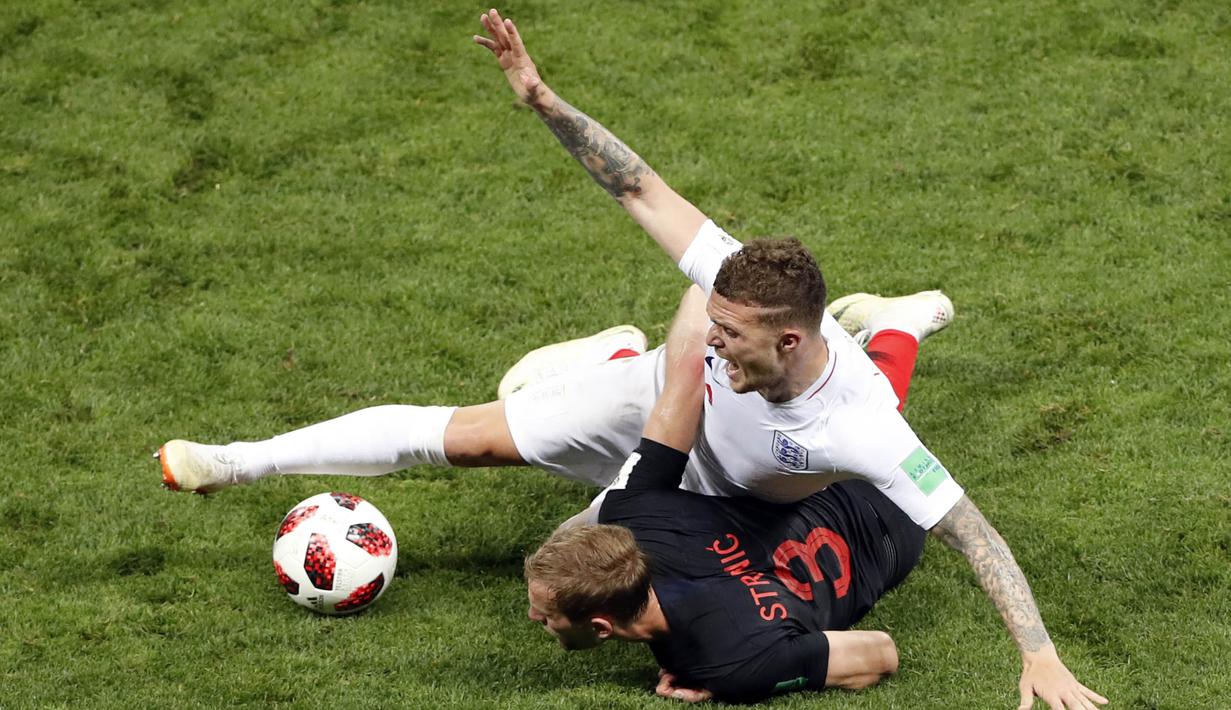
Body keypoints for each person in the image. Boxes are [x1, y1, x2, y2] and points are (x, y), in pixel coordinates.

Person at [155, 9, 1104, 708]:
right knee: (479, 440)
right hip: (659, 412)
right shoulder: (728, 318)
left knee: (579, 558)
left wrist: (1038, 655)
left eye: (727, 331)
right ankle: (237, 461)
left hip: (712, 496)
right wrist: (542, 101)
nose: (708, 331)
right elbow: (640, 187)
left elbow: (973, 533)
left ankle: (889, 325)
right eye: (712, 316)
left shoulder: (853, 421)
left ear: (789, 339)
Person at [525, 291, 925, 703]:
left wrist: (732, 680)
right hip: (838, 486)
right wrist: (709, 281)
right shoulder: (635, 513)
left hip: (893, 535)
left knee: (842, 417)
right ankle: (895, 329)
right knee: (840, 415)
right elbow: (682, 386)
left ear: (602, 626)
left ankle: (900, 325)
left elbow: (881, 653)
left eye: (545, 617)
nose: (533, 617)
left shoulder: (732, 664)